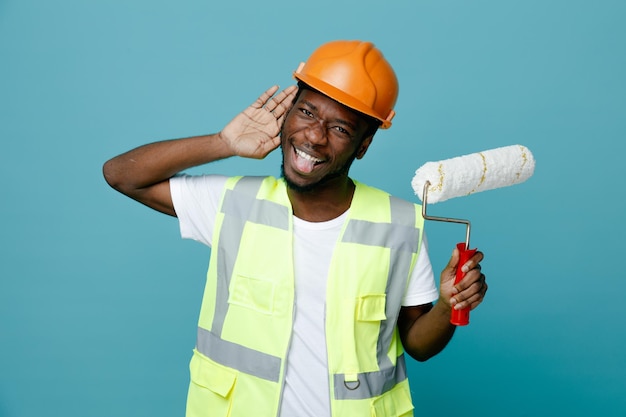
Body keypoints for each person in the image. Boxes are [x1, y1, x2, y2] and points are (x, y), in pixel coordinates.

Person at [103, 40, 487, 417]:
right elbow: (122, 175)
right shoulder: (233, 204)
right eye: (306, 112)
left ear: (364, 144)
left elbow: (417, 344)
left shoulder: (400, 223)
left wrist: (448, 305)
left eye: (340, 128)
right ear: (286, 115)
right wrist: (223, 142)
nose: (315, 135)